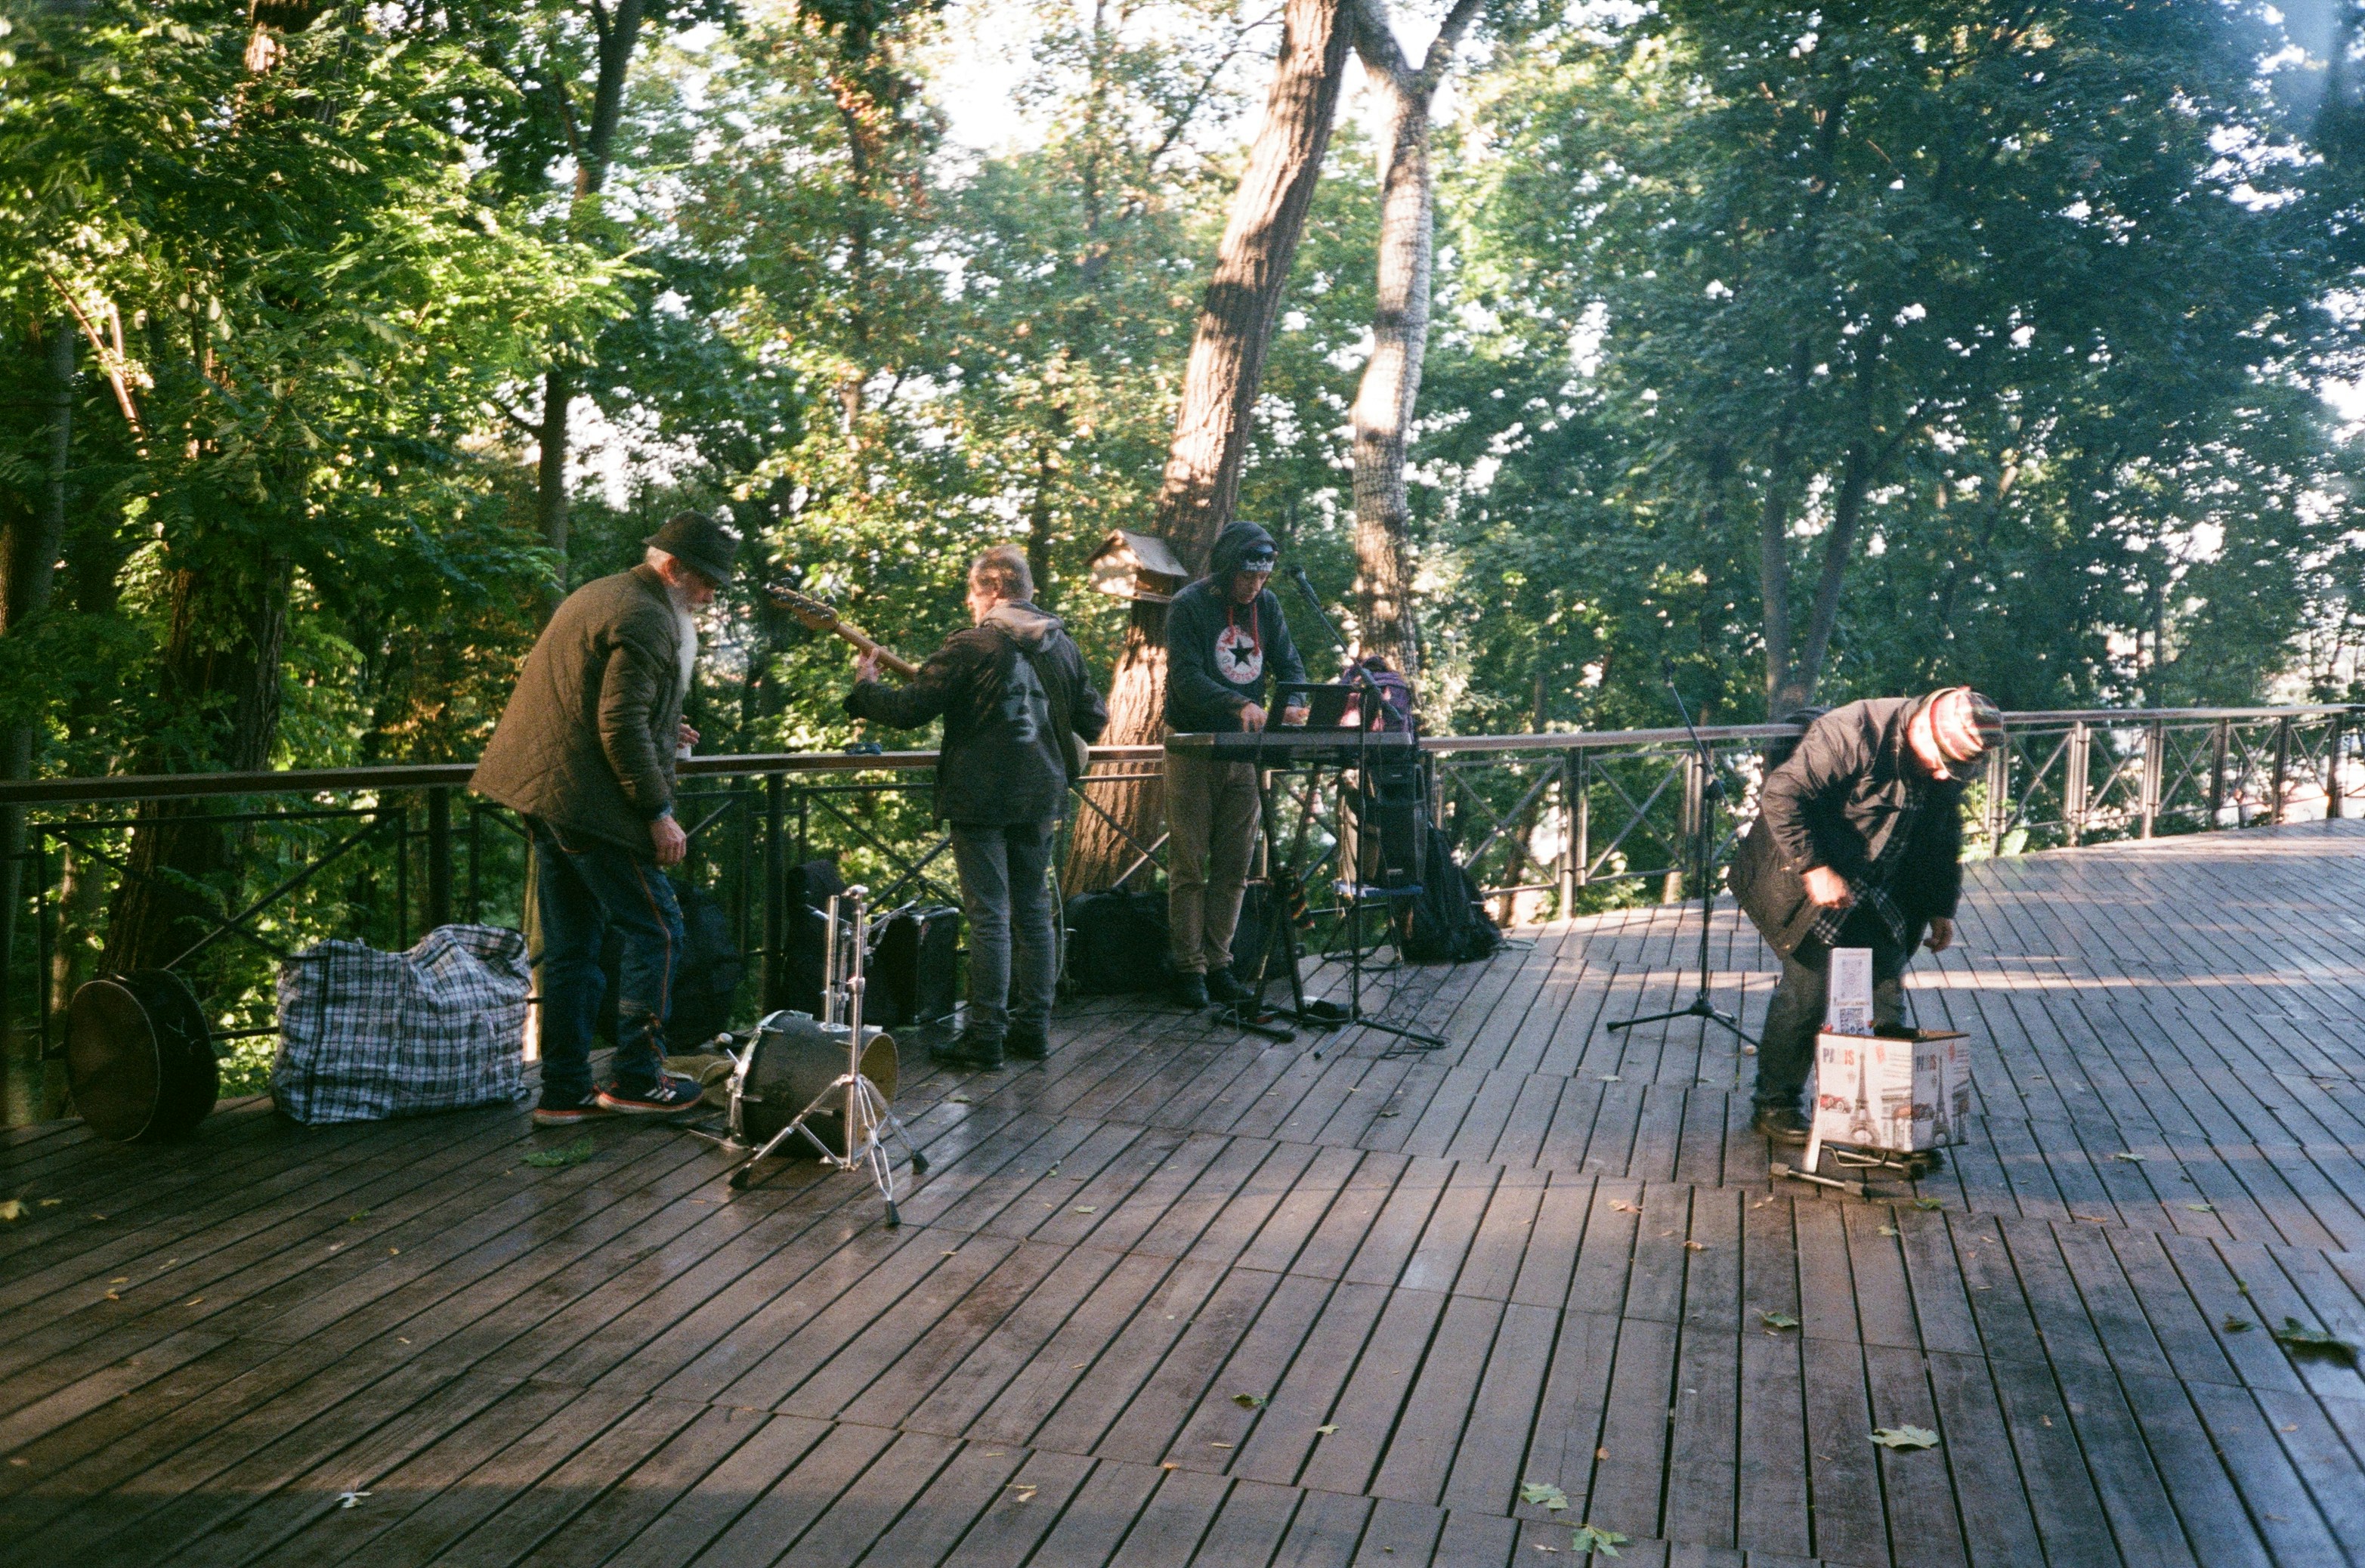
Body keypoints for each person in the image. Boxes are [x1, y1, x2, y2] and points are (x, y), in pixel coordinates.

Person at [472, 511, 740, 1124]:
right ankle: (637, 1079)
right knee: (659, 931)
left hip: (550, 797)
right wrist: (658, 812)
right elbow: (617, 723)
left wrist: (667, 727)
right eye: (705, 582)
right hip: (589, 803)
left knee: (572, 947)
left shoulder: (605, 593)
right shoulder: (646, 615)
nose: (709, 596)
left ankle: (564, 1090)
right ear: (672, 567)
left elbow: (604, 700)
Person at [844, 544, 1108, 1070]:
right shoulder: (1062, 646)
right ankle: (1033, 1030)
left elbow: (910, 709)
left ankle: (985, 1036)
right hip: (1040, 795)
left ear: (992, 590)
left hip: (981, 797)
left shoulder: (970, 645)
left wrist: (865, 689)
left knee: (990, 917)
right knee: (1034, 914)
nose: (970, 604)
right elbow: (1094, 719)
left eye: (972, 593)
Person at [1728, 686, 2005, 1143]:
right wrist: (1815, 868)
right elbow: (1781, 796)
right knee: (1807, 994)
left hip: (1889, 888)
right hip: (1816, 875)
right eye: (1941, 762)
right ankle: (1774, 1105)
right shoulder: (1851, 732)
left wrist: (1941, 906)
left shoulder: (1944, 764)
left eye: (1954, 769)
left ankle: (1884, 1113)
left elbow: (1943, 836)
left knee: (1884, 998)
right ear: (1923, 728)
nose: (1943, 774)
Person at [1161, 521, 1308, 1008]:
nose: (1254, 587)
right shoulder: (1188, 605)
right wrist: (1237, 703)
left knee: (1235, 864)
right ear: (1227, 570)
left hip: (1245, 752)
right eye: (1247, 577)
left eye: (1263, 578)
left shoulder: (1267, 606)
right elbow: (1185, 678)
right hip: (1194, 746)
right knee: (1189, 864)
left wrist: (1293, 703)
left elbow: (1290, 664)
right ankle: (1188, 968)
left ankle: (1219, 962)